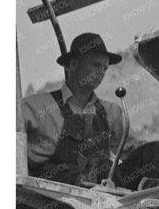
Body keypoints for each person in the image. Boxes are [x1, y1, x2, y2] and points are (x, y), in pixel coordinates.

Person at [21, 32, 132, 188]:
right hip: (55, 199)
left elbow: (127, 152)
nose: (101, 73)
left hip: (105, 198)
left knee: (151, 152)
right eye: (95, 65)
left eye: (105, 68)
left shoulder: (112, 112)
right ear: (73, 64)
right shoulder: (37, 107)